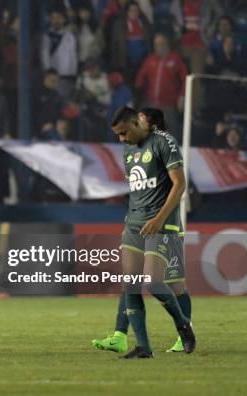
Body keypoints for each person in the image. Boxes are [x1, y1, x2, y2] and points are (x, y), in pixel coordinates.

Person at [93, 107, 194, 354]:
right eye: (118, 135)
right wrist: (130, 221)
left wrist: (159, 219)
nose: (122, 139)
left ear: (138, 123)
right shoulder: (128, 151)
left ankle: (184, 328)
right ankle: (142, 347)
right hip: (135, 223)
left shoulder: (163, 141)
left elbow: (180, 183)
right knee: (130, 283)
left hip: (163, 224)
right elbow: (138, 191)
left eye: (124, 133)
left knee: (159, 281)